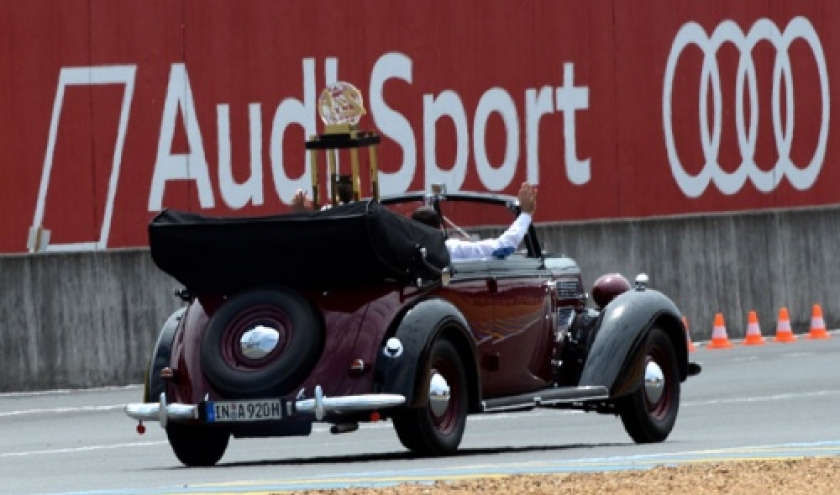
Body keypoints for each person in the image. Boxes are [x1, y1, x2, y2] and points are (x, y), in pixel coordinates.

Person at [412, 182, 537, 261]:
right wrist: (525, 215)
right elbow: (503, 247)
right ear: (439, 229)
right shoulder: (452, 249)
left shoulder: (403, 256)